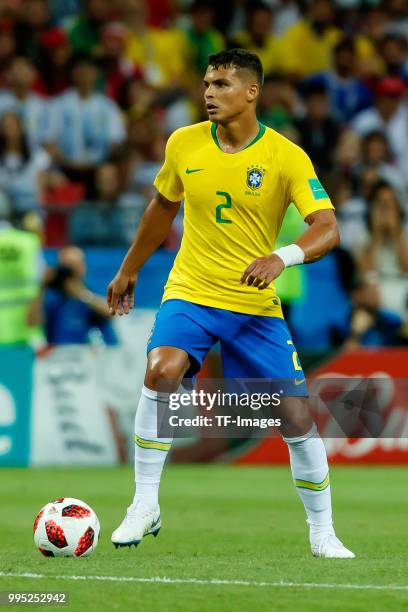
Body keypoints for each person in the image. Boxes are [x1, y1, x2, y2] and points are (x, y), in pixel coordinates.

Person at [107, 48, 354, 558]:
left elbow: (328, 228)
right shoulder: (184, 143)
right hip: (191, 291)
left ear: (251, 92)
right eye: (206, 84)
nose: (209, 94)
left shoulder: (285, 156)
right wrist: (129, 268)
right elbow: (162, 207)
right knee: (161, 371)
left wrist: (282, 257)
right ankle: (144, 504)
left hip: (254, 303)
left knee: (295, 418)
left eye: (221, 85)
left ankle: (323, 534)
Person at [44, 246, 118, 346]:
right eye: (67, 266)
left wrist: (82, 295)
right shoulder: (52, 296)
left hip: (93, 351)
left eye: (75, 265)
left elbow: (111, 312)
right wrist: (41, 286)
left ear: (83, 266)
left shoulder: (91, 290)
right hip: (61, 352)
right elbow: (34, 322)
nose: (71, 272)